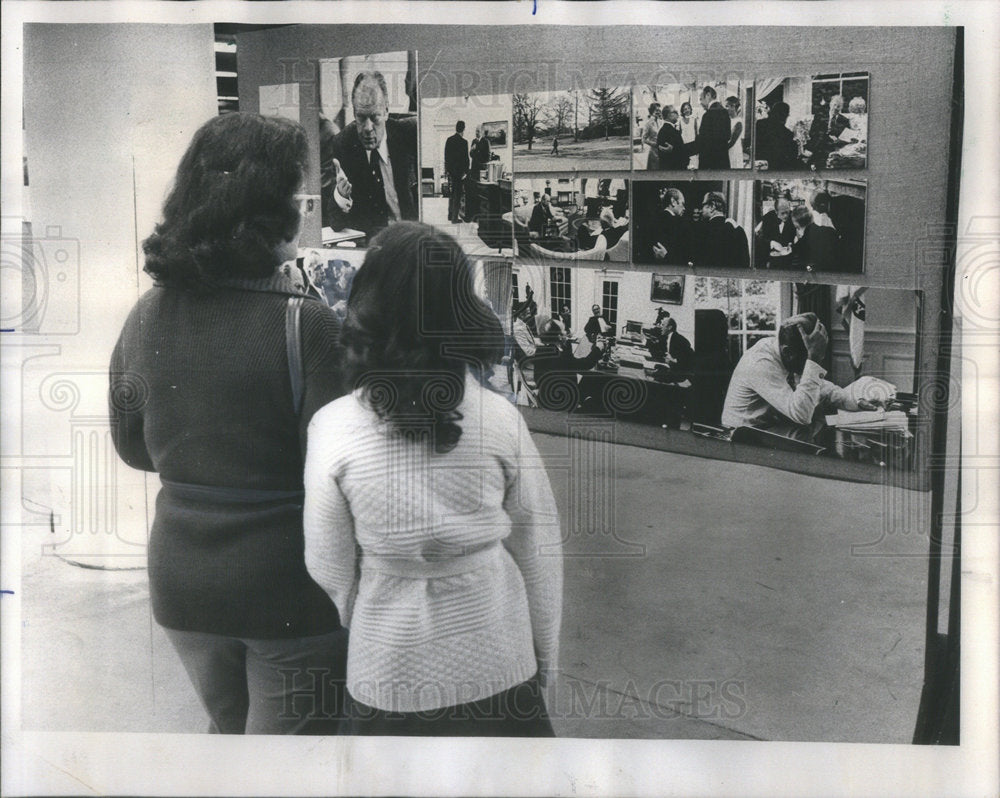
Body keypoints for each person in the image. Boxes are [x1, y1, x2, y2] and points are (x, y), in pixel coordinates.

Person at [109, 113, 348, 735]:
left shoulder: (144, 316)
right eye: (299, 195)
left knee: (228, 735)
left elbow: (134, 450)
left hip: (181, 584)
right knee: (290, 767)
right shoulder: (311, 327)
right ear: (271, 210)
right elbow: (343, 475)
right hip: (288, 590)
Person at [303, 221, 562, 736]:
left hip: (387, 672)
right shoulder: (500, 420)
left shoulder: (332, 426)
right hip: (497, 659)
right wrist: (545, 658)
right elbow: (539, 548)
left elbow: (328, 572)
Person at [722, 312, 872, 440]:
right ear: (787, 352)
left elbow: (823, 388)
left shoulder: (786, 354)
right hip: (743, 438)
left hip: (771, 428)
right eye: (807, 359)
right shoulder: (760, 364)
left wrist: (856, 402)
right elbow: (801, 415)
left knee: (821, 422)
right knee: (813, 428)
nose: (807, 367)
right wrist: (814, 359)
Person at [322, 71, 418, 238]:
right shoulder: (343, 144)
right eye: (361, 117)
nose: (367, 128)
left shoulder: (410, 134)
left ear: (386, 111)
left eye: (374, 118)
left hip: (409, 239)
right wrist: (341, 195)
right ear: (354, 114)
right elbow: (335, 223)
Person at [528, 317, 606, 411]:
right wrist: (598, 348)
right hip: (562, 401)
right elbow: (584, 365)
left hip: (548, 395)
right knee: (598, 381)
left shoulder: (542, 350)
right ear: (559, 336)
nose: (567, 332)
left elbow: (537, 378)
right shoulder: (559, 356)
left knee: (588, 378)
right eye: (564, 330)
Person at [691, 191, 750, 268]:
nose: (701, 210)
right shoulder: (738, 230)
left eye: (703, 206)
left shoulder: (702, 230)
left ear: (712, 207)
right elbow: (745, 263)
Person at [807, 93, 852, 171]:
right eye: (834, 105)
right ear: (830, 105)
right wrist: (825, 136)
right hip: (818, 145)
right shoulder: (820, 116)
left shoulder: (844, 120)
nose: (835, 108)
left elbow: (847, 138)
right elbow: (812, 132)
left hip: (834, 147)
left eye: (838, 106)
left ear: (841, 107)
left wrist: (837, 140)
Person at [789, 204, 840, 272]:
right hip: (838, 277)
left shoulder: (799, 246)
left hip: (816, 279)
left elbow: (802, 272)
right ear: (812, 218)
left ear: (796, 225)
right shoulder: (831, 231)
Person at [651, 187, 692, 264]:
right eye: (682, 204)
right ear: (673, 202)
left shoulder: (654, 219)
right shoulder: (678, 223)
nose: (684, 208)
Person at [754, 101, 799, 170]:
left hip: (759, 163)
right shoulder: (786, 133)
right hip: (775, 167)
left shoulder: (760, 124)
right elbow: (790, 155)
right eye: (786, 115)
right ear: (784, 116)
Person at [696, 86, 731, 169]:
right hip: (722, 161)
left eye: (701, 99)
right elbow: (727, 136)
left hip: (709, 163)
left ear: (708, 95)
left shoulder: (708, 115)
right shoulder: (724, 112)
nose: (700, 103)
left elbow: (703, 141)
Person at [755, 196, 796, 266]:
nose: (786, 216)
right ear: (776, 211)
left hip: (789, 260)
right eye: (782, 213)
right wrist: (772, 243)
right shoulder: (767, 218)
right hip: (771, 260)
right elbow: (760, 239)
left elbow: (796, 237)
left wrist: (792, 245)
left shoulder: (794, 217)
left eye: (787, 212)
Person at [444, 120, 469, 223]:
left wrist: (448, 170)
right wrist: (466, 172)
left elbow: (446, 157)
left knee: (451, 194)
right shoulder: (464, 142)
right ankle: (454, 218)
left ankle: (450, 215)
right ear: (463, 129)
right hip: (459, 173)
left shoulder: (449, 140)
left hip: (451, 172)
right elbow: (466, 159)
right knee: (457, 195)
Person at [655, 105, 688, 170]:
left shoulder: (664, 130)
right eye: (675, 112)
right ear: (669, 115)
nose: (678, 114)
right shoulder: (668, 131)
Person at [725, 96, 745, 168]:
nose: (725, 108)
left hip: (734, 151)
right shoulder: (727, 120)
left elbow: (731, 142)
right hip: (727, 151)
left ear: (733, 107)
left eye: (727, 106)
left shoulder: (738, 122)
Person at [641, 102, 662, 169]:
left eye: (659, 110)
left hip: (662, 151)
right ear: (652, 111)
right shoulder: (648, 123)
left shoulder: (660, 122)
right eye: (656, 110)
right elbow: (643, 139)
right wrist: (654, 144)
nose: (658, 112)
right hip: (654, 152)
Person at [678, 100, 699, 167]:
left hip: (693, 145)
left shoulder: (694, 119)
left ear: (690, 109)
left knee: (694, 165)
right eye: (685, 109)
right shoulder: (680, 121)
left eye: (688, 108)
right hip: (684, 145)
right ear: (682, 111)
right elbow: (680, 133)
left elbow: (696, 132)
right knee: (685, 164)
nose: (687, 110)